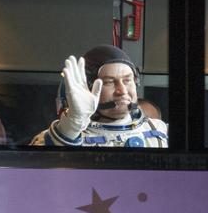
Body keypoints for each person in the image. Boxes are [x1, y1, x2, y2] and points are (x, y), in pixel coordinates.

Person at [31, 45, 168, 147]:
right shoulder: (59, 137)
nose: (122, 90)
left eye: (127, 80)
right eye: (109, 82)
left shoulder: (159, 130)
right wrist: (73, 125)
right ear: (87, 88)